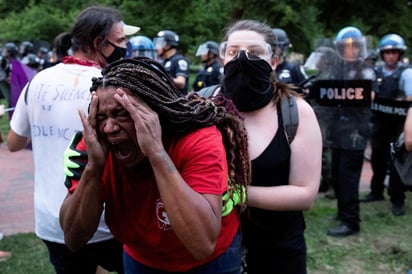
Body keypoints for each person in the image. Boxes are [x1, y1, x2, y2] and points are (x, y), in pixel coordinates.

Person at [59, 56, 250, 273]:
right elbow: (73, 238)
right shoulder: (97, 145)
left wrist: (157, 154)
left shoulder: (197, 139)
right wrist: (94, 168)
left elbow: (202, 245)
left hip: (210, 263)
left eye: (122, 113)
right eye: (102, 117)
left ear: (154, 112)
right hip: (142, 259)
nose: (109, 128)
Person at [7, 5, 139, 273]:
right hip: (104, 219)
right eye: (121, 40)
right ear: (99, 43)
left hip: (50, 220)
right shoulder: (109, 87)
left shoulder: (39, 80)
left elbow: (14, 143)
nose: (126, 46)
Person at [217, 20, 322, 273]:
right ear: (223, 58)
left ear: (274, 61)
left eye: (254, 52)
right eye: (233, 52)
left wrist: (236, 194)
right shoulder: (204, 104)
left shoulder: (296, 112)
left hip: (278, 249)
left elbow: (305, 193)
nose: (242, 59)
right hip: (215, 248)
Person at [314, 26, 375, 236]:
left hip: (355, 132)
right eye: (347, 47)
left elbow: (369, 94)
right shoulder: (336, 68)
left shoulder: (365, 69)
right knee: (338, 175)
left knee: (349, 177)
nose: (352, 51)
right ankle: (342, 212)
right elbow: (325, 91)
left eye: (355, 47)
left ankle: (351, 221)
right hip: (338, 131)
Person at [361, 33, 412, 216]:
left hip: (399, 124)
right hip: (380, 123)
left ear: (399, 54)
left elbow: (410, 99)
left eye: (394, 52)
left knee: (397, 161)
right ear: (383, 54)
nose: (391, 56)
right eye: (387, 52)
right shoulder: (377, 72)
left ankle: (397, 199)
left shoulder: (406, 73)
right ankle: (376, 191)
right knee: (377, 158)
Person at [272, 28, 308, 94]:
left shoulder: (293, 68)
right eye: (274, 47)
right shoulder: (263, 68)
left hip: (290, 102)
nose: (276, 50)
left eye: (279, 47)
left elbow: (306, 89)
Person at [154, 30, 190, 94]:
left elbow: (181, 83)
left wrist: (162, 77)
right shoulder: (164, 62)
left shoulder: (180, 60)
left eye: (159, 43)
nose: (157, 47)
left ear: (167, 45)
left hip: (178, 101)